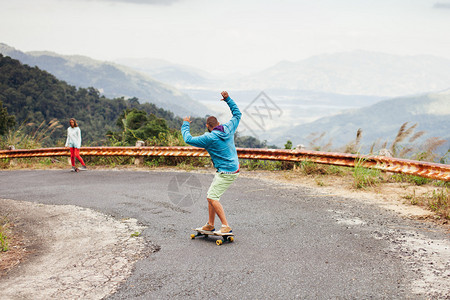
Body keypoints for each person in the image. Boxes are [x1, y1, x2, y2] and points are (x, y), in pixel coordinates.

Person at [181, 91, 241, 234]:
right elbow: (237, 114)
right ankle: (210, 224)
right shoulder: (228, 127)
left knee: (212, 197)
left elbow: (188, 139)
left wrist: (185, 124)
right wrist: (228, 99)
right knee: (212, 196)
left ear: (208, 125)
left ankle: (226, 225)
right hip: (233, 168)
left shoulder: (209, 138)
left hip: (226, 172)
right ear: (218, 123)